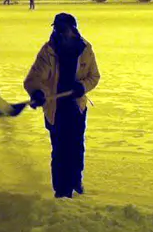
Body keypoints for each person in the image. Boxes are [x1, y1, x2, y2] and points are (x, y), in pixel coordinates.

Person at [24, 13, 101, 198]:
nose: (58, 33)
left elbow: (94, 76)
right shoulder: (48, 52)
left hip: (76, 108)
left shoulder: (85, 49)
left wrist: (81, 87)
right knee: (60, 150)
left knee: (76, 147)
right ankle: (62, 190)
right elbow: (33, 79)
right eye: (56, 28)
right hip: (55, 108)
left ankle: (75, 181)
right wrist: (37, 93)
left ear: (73, 29)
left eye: (62, 29)